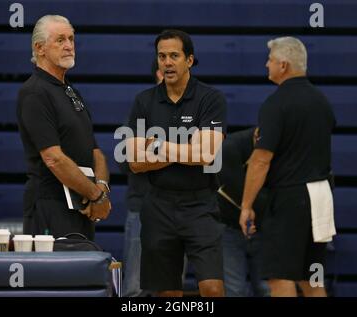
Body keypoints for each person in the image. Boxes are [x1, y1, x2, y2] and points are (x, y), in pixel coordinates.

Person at [126, 29, 227, 297]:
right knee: (167, 292)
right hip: (158, 204)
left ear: (189, 60)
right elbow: (135, 162)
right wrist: (186, 150)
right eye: (162, 56)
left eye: (174, 56)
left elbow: (206, 154)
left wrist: (157, 146)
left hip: (200, 205)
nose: (167, 62)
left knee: (213, 287)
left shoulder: (210, 99)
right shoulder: (144, 101)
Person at [239, 37, 336, 297]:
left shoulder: (277, 103)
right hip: (322, 197)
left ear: (283, 65)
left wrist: (246, 205)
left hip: (290, 199)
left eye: (269, 60)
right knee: (311, 279)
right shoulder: (322, 101)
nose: (266, 65)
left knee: (279, 278)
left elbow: (261, 160)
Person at [17, 15, 111, 240]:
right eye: (60, 40)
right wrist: (96, 196)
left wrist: (101, 189)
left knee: (83, 275)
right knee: (53, 276)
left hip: (82, 205)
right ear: (40, 48)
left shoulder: (70, 91)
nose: (69, 46)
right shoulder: (35, 92)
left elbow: (95, 152)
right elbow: (53, 158)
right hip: (51, 207)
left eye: (71, 39)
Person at [121, 60, 162, 297]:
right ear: (158, 73)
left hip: (181, 208)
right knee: (135, 287)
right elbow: (124, 159)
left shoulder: (195, 108)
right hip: (143, 206)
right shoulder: (142, 107)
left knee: (170, 289)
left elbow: (206, 157)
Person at [217, 128, 269, 297]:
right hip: (229, 226)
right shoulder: (230, 148)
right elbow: (235, 188)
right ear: (257, 135)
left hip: (264, 228)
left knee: (266, 288)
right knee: (235, 290)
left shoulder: (279, 150)